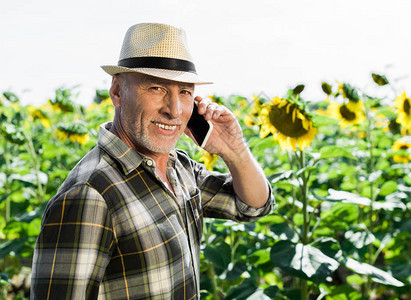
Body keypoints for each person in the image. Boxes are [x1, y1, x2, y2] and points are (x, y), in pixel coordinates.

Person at [31, 23, 274, 299]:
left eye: (184, 92)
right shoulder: (90, 194)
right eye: (156, 88)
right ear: (117, 92)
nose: (174, 110)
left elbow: (252, 206)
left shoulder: (178, 167)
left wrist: (235, 150)